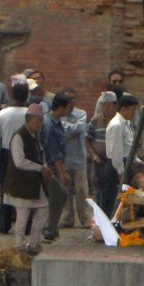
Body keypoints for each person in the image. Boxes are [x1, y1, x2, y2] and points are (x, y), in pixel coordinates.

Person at [4, 104, 53, 255]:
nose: (40, 124)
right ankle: (19, 246)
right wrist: (40, 168)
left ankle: (34, 243)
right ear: (30, 120)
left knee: (43, 210)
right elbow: (19, 161)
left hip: (34, 182)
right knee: (22, 217)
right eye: (38, 121)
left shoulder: (35, 136)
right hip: (20, 183)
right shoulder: (19, 136)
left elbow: (40, 154)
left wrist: (43, 167)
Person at [0, 81, 31, 233]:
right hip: (27, 153)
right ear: (27, 95)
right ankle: (26, 226)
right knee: (26, 190)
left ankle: (4, 224)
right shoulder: (31, 113)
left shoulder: (3, 114)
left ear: (12, 95)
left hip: (7, 152)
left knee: (6, 189)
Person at [40, 92, 73, 241]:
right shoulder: (49, 124)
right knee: (58, 195)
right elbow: (53, 151)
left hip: (54, 165)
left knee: (56, 196)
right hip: (50, 166)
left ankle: (49, 227)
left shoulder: (56, 122)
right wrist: (62, 172)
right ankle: (49, 228)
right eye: (67, 108)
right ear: (61, 107)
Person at [58, 88, 90, 229]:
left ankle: (86, 218)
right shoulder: (59, 115)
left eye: (72, 99)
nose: (70, 102)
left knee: (82, 191)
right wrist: (71, 129)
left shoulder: (81, 113)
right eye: (67, 99)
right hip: (64, 160)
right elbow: (66, 130)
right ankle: (67, 219)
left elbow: (79, 128)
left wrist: (67, 128)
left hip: (79, 159)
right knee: (65, 192)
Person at [86, 90, 118, 218]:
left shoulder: (120, 121)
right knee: (98, 190)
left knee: (111, 190)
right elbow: (87, 139)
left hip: (114, 162)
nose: (105, 108)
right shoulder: (96, 120)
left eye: (108, 105)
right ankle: (99, 219)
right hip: (99, 161)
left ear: (114, 105)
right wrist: (93, 154)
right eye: (103, 105)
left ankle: (110, 217)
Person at [105, 93, 140, 193]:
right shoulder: (117, 125)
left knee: (127, 196)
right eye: (133, 110)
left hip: (126, 164)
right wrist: (121, 173)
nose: (134, 113)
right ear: (124, 109)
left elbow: (128, 146)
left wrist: (137, 161)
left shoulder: (126, 123)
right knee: (115, 199)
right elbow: (117, 152)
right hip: (116, 168)